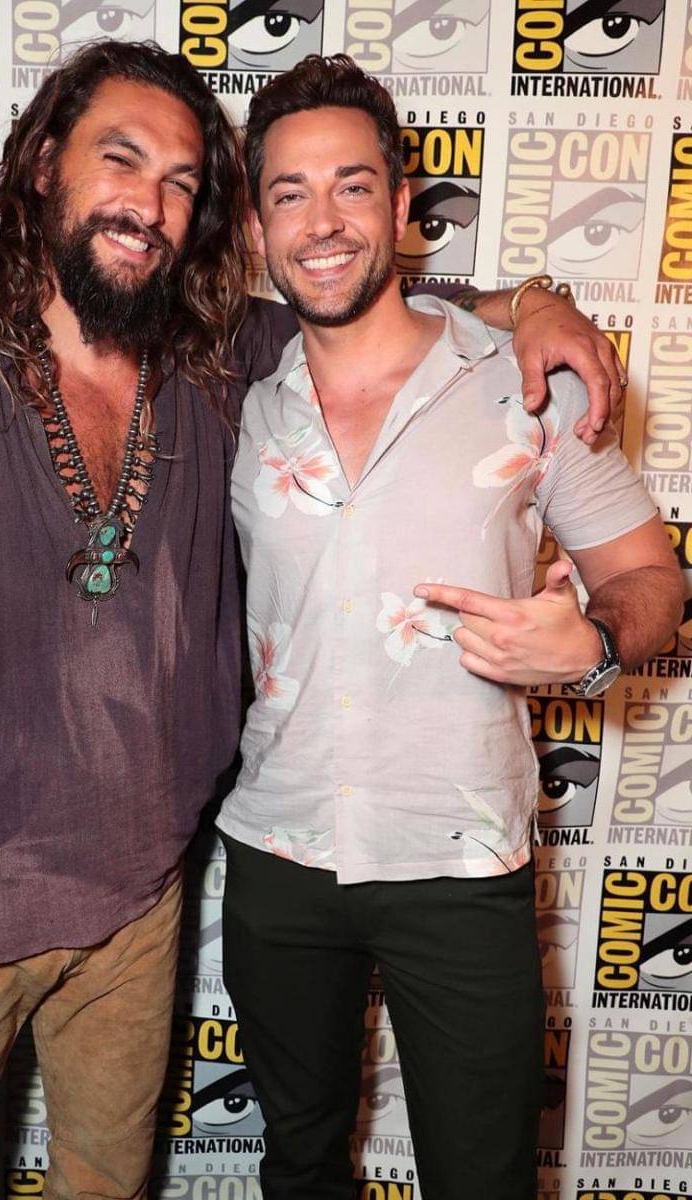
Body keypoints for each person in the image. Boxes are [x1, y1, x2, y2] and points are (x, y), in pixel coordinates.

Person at [0, 41, 625, 1200]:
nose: (149, 202)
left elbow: (380, 312)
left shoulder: (217, 360)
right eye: (121, 160)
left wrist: (537, 302)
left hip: (140, 905)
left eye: (181, 182)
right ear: (42, 166)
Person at [217, 54, 685, 1200]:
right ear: (257, 224)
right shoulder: (230, 387)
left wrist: (594, 643)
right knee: (298, 1166)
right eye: (290, 193)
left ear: (400, 202)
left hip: (462, 862)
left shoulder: (524, 386)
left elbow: (651, 579)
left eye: (352, 186)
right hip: (278, 851)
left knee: (483, 1179)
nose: (324, 222)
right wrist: (529, 293)